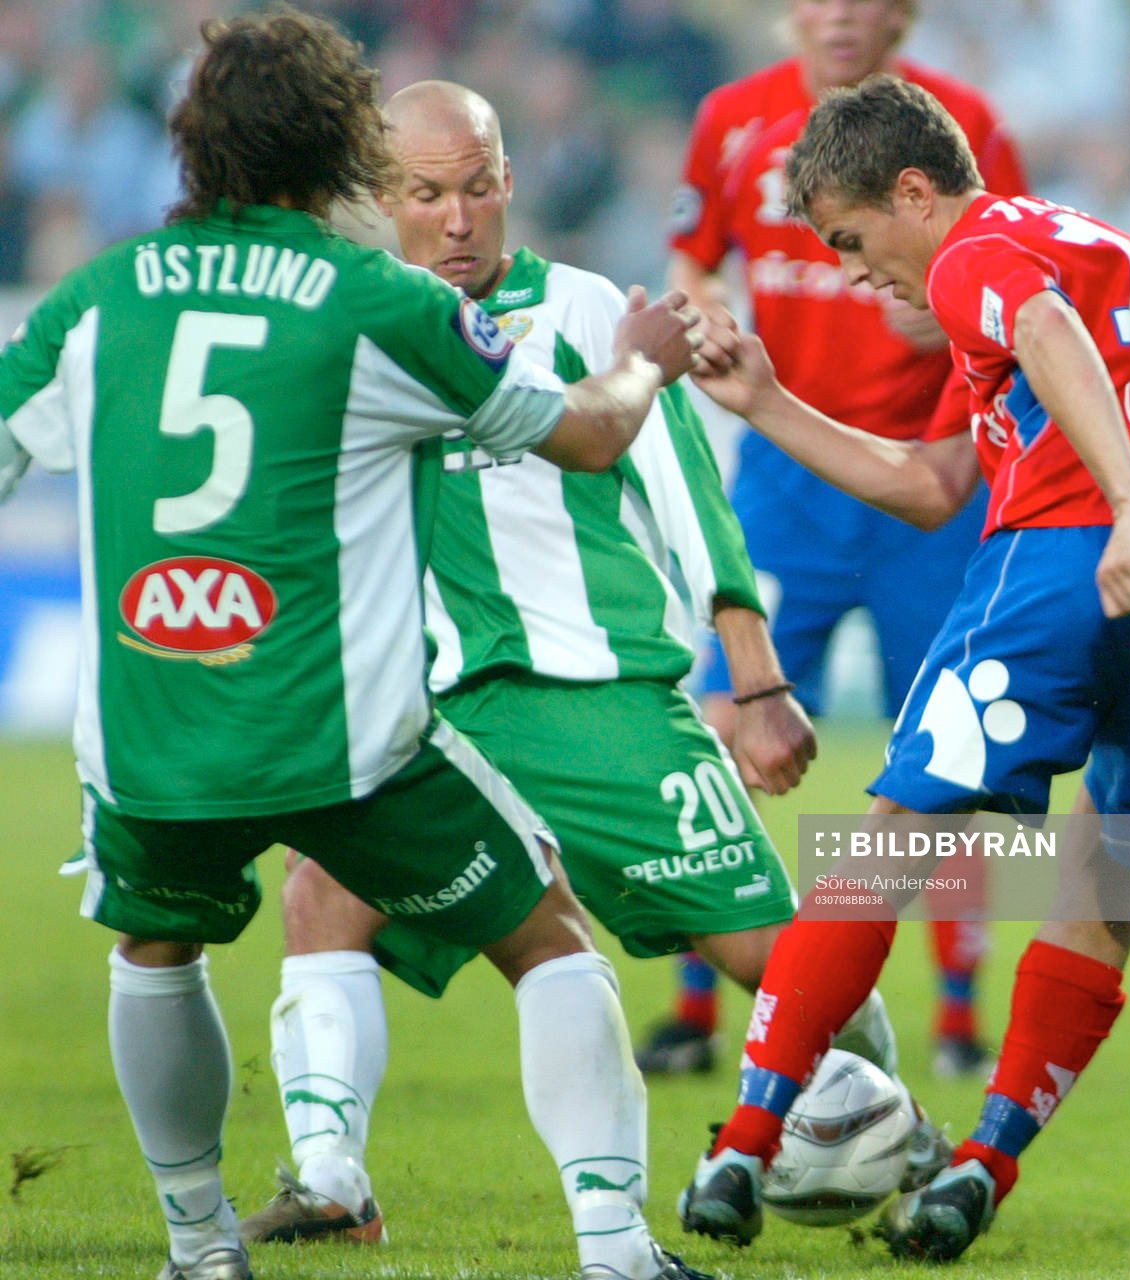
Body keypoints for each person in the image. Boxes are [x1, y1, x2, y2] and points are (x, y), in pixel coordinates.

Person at [0, 13, 716, 1280]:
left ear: (191, 140)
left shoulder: (95, 301)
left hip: (154, 736)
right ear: (343, 147)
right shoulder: (380, 301)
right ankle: (614, 1248)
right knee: (545, 932)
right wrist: (641, 364)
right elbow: (591, 433)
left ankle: (199, 1246)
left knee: (155, 952)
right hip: (345, 742)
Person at [238, 77, 947, 1253]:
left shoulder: (584, 311)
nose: (456, 218)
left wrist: (755, 680)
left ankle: (894, 1126)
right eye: (425, 193)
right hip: (441, 709)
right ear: (379, 197)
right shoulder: (361, 328)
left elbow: (686, 495)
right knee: (324, 890)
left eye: (476, 189)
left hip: (601, 698)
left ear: (509, 182)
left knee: (774, 957)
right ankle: (330, 1177)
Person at [677, 73, 1130, 1260]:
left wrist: (1126, 507)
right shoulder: (1093, 250)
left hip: (1079, 548)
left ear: (915, 191)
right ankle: (983, 1161)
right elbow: (929, 486)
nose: (856, 275)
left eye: (853, 241)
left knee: (885, 844)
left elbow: (1042, 332)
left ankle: (745, 1141)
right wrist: (762, 399)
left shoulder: (977, 249)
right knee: (1103, 869)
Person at [639, 0, 1029, 1082]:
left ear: (901, 15)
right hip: (787, 481)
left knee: (946, 751)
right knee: (721, 720)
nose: (843, 17)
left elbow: (1013, 271)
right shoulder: (731, 120)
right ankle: (694, 1006)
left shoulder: (964, 124)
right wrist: (706, 311)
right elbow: (690, 262)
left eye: (867, 0)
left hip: (928, 473)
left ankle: (957, 1017)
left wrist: (948, 311)